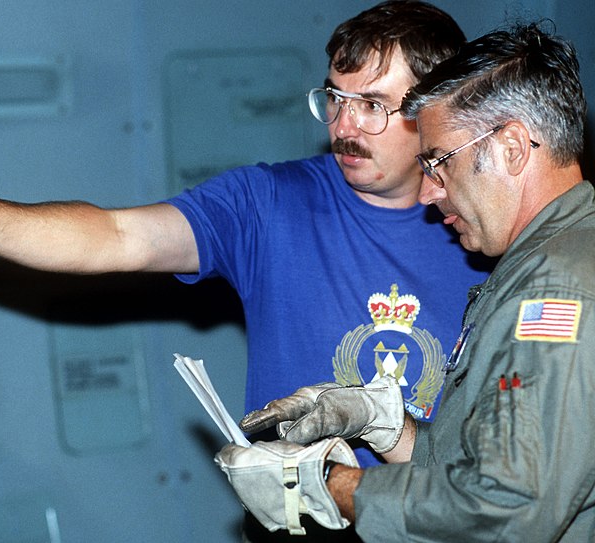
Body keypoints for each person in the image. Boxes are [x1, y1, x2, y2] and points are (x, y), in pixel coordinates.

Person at [0, 2, 488, 539]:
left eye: (373, 105)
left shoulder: (494, 230)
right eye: (336, 99)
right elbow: (117, 236)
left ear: (439, 108)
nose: (345, 126)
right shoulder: (269, 204)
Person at [219, 21, 595, 541]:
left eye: (439, 163)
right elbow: (486, 465)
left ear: (511, 148)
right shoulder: (538, 264)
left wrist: (325, 486)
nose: (427, 194)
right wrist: (389, 425)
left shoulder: (557, 290)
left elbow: (505, 510)